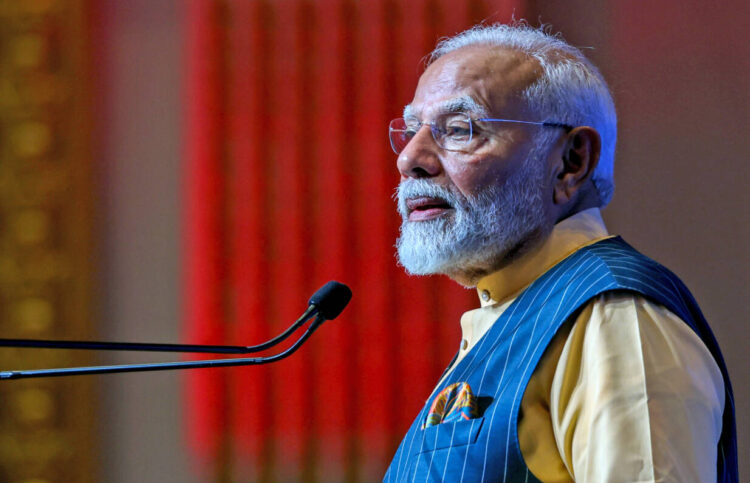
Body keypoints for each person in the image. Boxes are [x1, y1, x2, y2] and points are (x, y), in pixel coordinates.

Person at [383, 23, 737, 482]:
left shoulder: (613, 318)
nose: (410, 158)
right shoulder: (514, 310)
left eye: (458, 129)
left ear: (571, 162)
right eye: (412, 130)